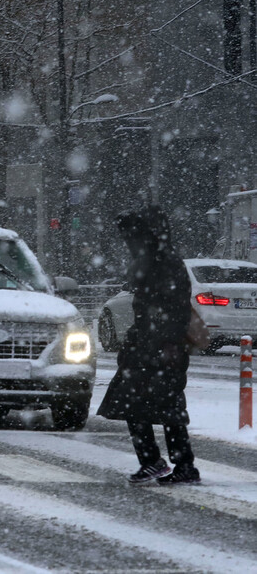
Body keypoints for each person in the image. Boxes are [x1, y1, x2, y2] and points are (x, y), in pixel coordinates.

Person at [97, 205, 200, 485]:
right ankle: (170, 463)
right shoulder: (155, 261)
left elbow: (174, 310)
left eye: (132, 236)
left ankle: (169, 463)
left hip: (160, 348)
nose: (129, 243)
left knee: (158, 408)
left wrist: (165, 343)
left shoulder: (163, 264)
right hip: (149, 346)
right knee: (151, 407)